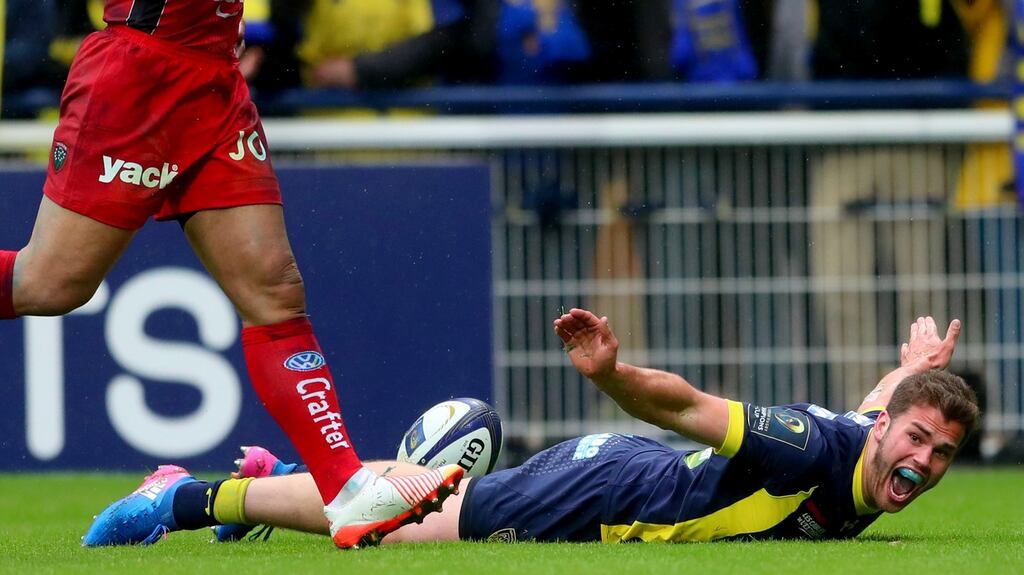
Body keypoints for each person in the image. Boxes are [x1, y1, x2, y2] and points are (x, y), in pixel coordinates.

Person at [0, 1, 463, 549]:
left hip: (214, 78)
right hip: (141, 71)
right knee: (50, 285)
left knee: (275, 289)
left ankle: (348, 489)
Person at [83, 309, 976, 544]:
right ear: (884, 433)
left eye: (941, 453)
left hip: (631, 477)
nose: (923, 460)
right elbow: (688, 405)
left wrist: (920, 366)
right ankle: (189, 497)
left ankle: (271, 474)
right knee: (387, 525)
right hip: (609, 494)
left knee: (421, 503)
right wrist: (615, 375)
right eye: (917, 439)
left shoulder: (875, 440)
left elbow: (887, 399)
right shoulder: (813, 446)